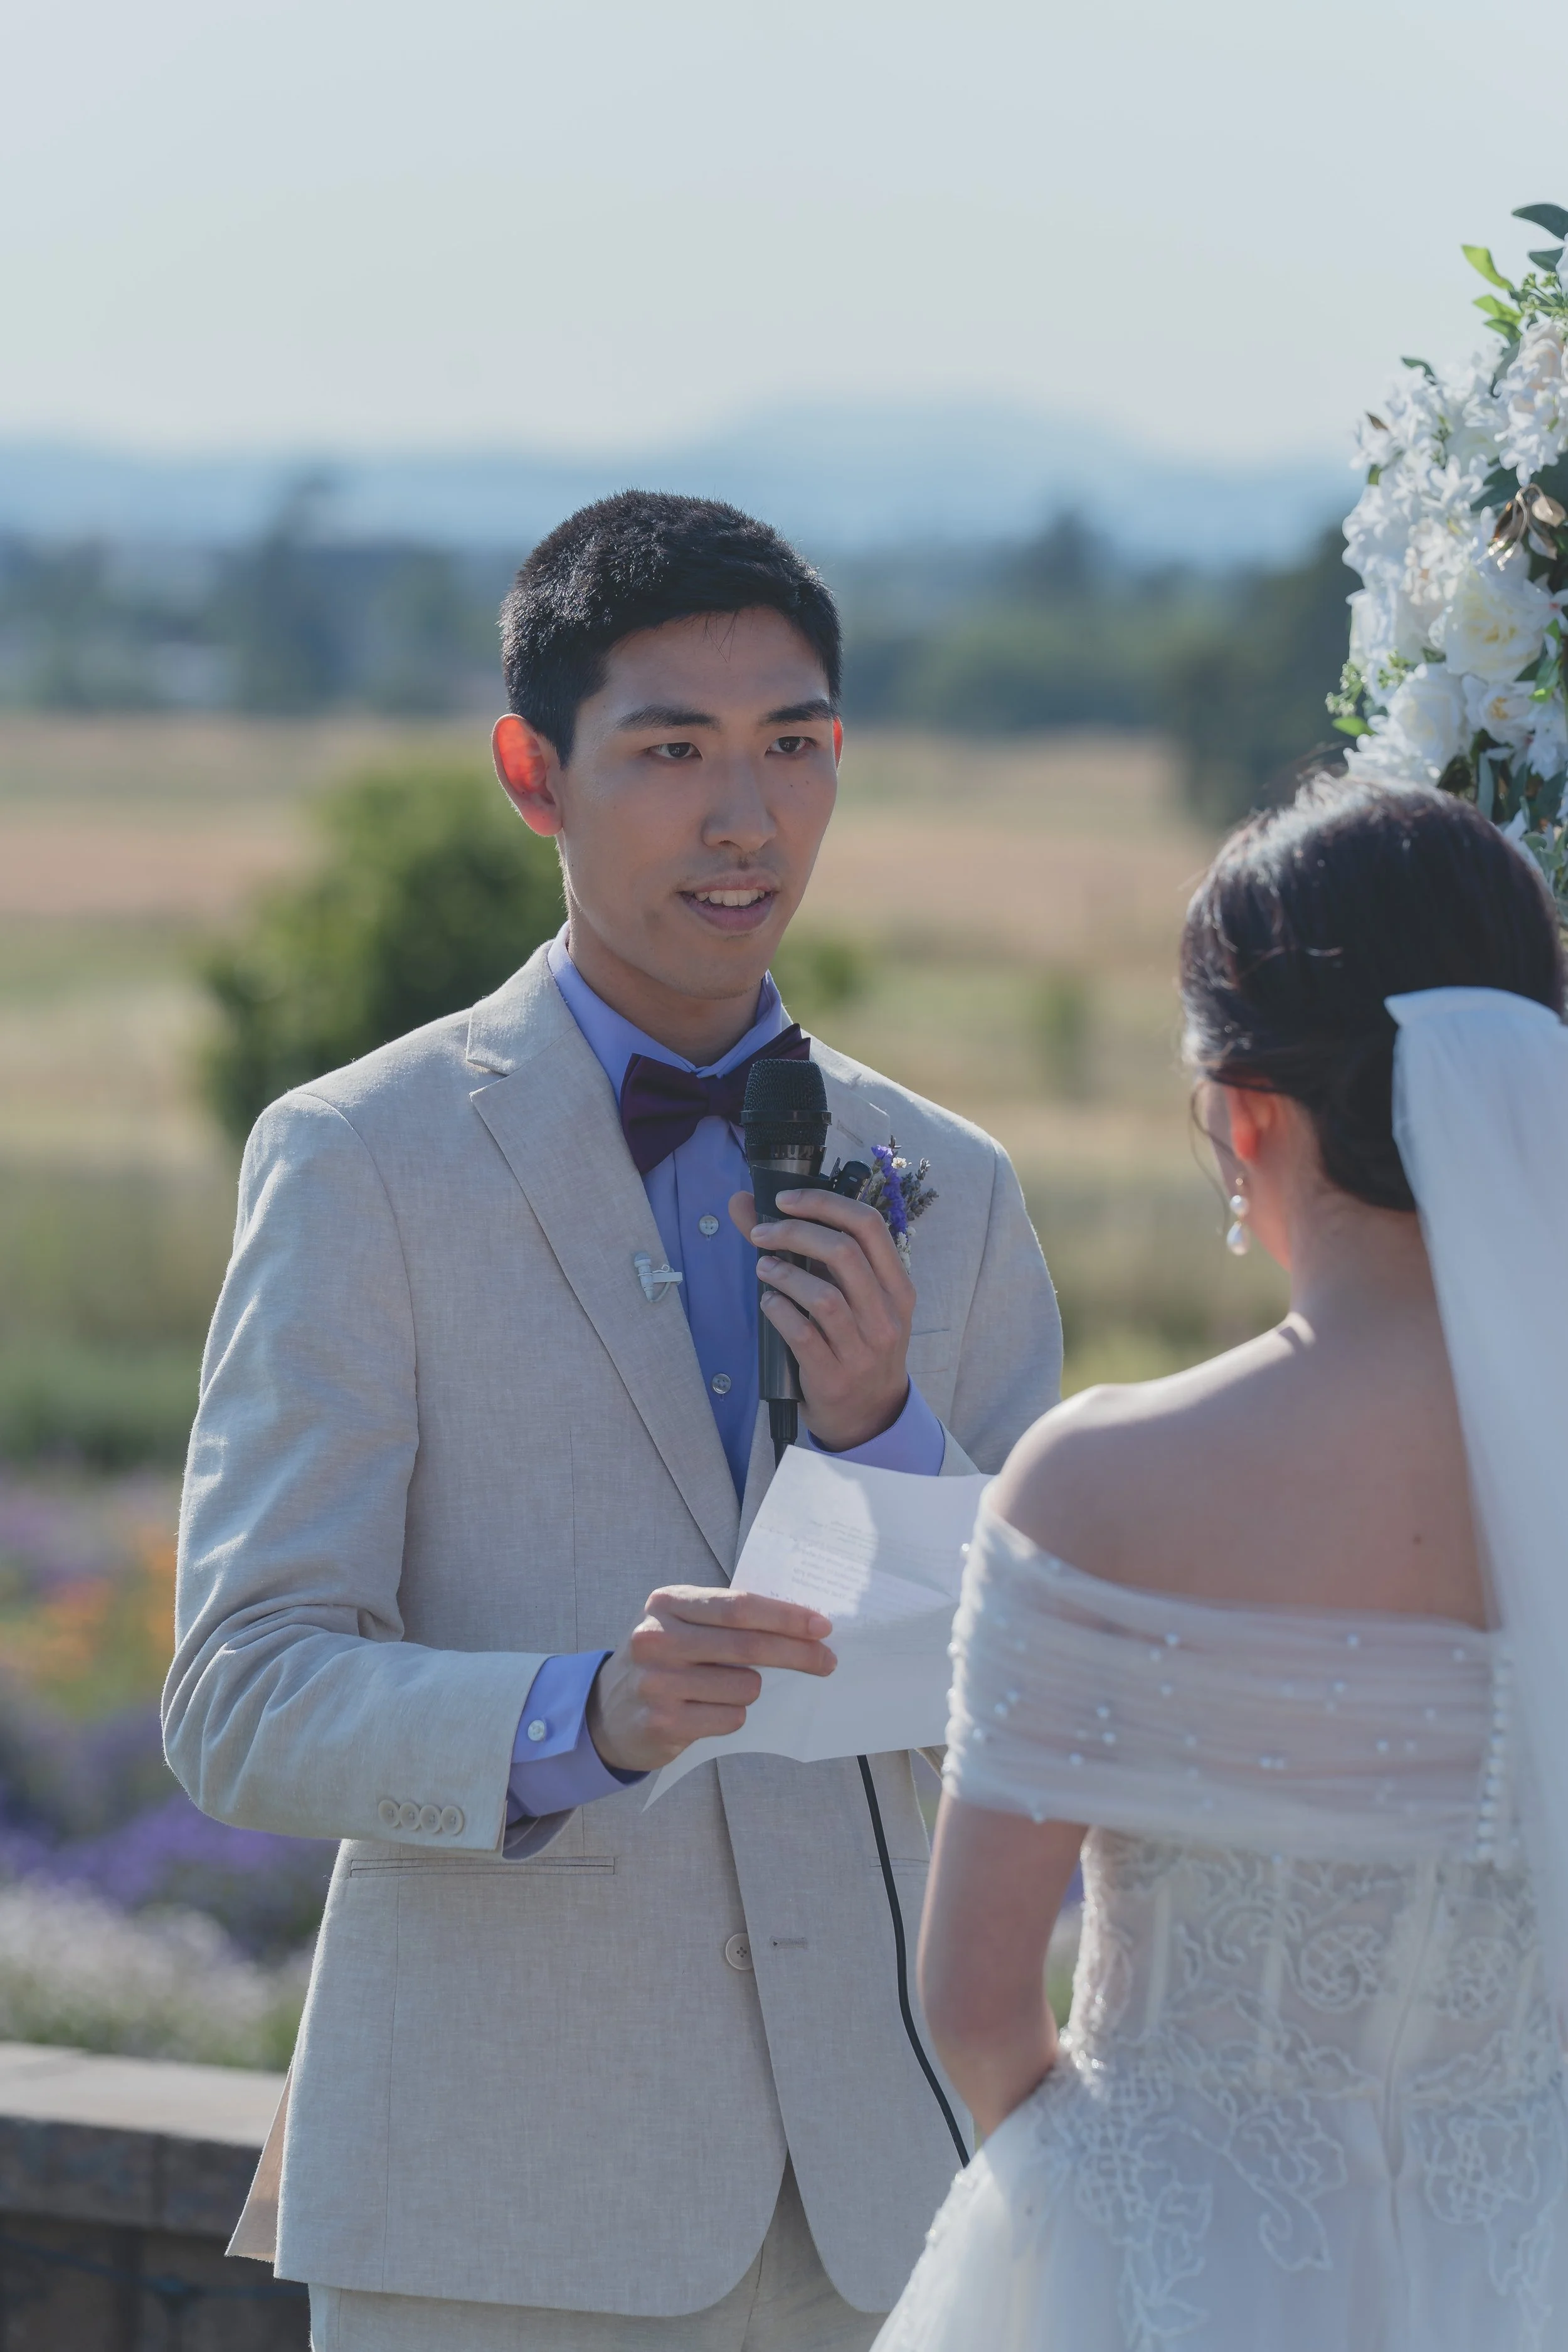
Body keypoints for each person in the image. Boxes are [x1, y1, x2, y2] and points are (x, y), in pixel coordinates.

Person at [164, 490, 1061, 2352]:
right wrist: (580, 1714)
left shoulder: (952, 1187)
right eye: (672, 750)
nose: (745, 817)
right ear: (531, 770)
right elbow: (239, 1686)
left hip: (891, 2222)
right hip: (490, 2209)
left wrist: (889, 1436)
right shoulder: (358, 1161)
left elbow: (1037, 1697)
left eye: (793, 745)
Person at [875, 774, 1568, 2352]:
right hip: (1522, 2246)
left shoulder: (1104, 1482)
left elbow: (975, 2005)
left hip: (1167, 2263)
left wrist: (1126, 2224)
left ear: (1242, 1108)